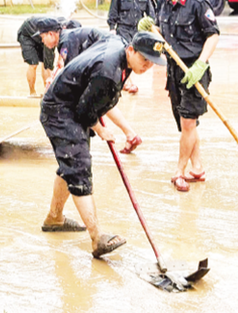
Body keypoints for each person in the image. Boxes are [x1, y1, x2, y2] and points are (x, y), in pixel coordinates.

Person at [40, 32, 166, 259]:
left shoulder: (118, 46)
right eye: (144, 59)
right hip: (60, 109)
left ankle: (54, 218)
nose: (147, 66)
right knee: (79, 169)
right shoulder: (108, 73)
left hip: (72, 100)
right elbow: (84, 111)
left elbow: (91, 40)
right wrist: (100, 129)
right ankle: (97, 238)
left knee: (70, 164)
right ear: (131, 50)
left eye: (152, 62)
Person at [138, 0, 220, 193]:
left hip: (194, 70)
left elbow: (213, 35)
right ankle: (198, 167)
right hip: (174, 70)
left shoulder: (197, 3)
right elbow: (162, 32)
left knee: (188, 121)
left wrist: (200, 64)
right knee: (186, 125)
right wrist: (150, 28)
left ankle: (180, 171)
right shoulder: (163, 2)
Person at [46, 24, 144, 154]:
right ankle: (130, 134)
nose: (42, 42)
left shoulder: (67, 40)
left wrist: (54, 82)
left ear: (51, 34)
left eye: (42, 37)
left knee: (98, 97)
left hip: (105, 67)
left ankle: (130, 134)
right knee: (103, 98)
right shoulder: (71, 37)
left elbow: (72, 76)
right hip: (110, 60)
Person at [107, 0, 155, 94]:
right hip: (123, 29)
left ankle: (125, 81)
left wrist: (151, 27)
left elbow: (150, 13)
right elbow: (113, 12)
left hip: (137, 31)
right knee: (124, 56)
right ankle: (127, 82)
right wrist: (112, 28)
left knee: (135, 57)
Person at [17, 16, 60, 97]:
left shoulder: (57, 33)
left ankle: (47, 92)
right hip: (27, 34)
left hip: (42, 34)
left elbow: (48, 66)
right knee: (33, 64)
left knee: (47, 64)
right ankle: (32, 92)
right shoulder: (51, 31)